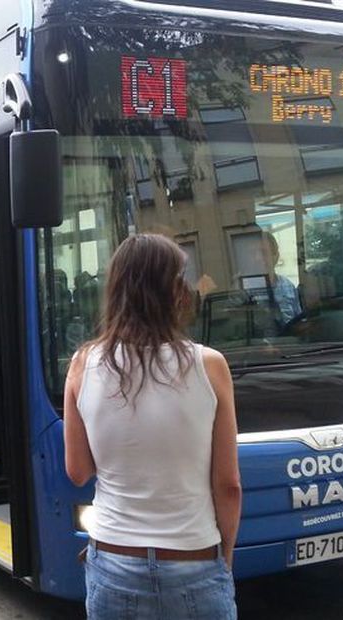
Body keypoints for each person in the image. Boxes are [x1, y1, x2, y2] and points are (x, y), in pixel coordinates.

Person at [63, 234, 242, 619]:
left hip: (113, 561)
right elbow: (228, 486)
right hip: (194, 561)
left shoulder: (82, 365)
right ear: (175, 293)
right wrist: (222, 560)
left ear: (116, 291)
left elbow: (78, 472)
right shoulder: (210, 366)